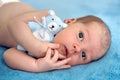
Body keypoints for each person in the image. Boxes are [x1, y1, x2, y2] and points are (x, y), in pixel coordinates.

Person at [0, 2, 111, 72]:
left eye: (83, 55)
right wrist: (36, 47)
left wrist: (36, 65)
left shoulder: (50, 57)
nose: (77, 49)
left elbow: (8, 55)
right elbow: (13, 23)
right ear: (69, 21)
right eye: (81, 36)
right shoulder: (49, 18)